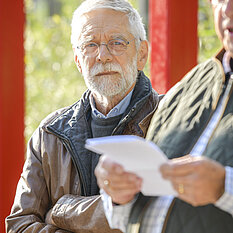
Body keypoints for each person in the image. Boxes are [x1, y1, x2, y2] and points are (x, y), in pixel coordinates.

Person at [5, 0, 160, 232]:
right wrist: (112, 212)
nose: (103, 55)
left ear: (141, 54)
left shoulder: (171, 117)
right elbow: (18, 226)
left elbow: (163, 215)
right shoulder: (49, 134)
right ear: (78, 60)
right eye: (90, 45)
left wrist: (62, 210)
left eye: (117, 42)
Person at [95, 0, 233, 232]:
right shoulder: (186, 89)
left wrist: (224, 186)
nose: (227, 9)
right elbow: (125, 217)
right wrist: (119, 193)